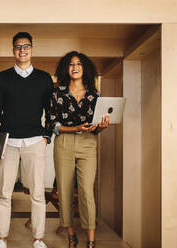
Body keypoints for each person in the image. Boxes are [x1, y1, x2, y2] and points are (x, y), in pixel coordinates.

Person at [0, 32, 54, 248]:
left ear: (32, 49)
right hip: (7, 142)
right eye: (18, 47)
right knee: (4, 193)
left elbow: (51, 110)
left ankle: (38, 239)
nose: (22, 50)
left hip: (35, 141)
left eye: (26, 46)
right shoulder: (2, 77)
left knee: (37, 193)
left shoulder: (44, 78)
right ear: (13, 50)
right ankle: (2, 239)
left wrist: (47, 135)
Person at [46, 51, 109, 248]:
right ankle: (71, 235)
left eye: (79, 64)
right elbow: (52, 124)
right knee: (64, 191)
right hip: (64, 142)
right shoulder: (57, 93)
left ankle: (91, 240)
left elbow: (97, 124)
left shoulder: (94, 94)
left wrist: (102, 126)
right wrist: (74, 128)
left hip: (88, 143)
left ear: (85, 68)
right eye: (71, 64)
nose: (75, 67)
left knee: (86, 192)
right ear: (66, 68)